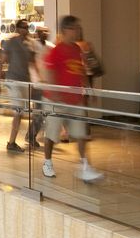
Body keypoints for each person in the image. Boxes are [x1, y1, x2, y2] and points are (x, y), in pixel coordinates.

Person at [41, 15, 103, 183]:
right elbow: (50, 72)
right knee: (52, 134)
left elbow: (81, 71)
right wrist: (56, 94)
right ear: (65, 30)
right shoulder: (56, 51)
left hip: (75, 99)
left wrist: (88, 90)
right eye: (74, 28)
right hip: (56, 100)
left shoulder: (77, 49)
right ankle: (47, 162)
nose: (77, 31)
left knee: (81, 134)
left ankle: (85, 166)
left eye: (78, 28)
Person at [0, 20, 32, 151]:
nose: (26, 29)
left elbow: (32, 63)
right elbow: (0, 61)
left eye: (27, 27)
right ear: (18, 29)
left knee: (21, 112)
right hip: (13, 81)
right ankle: (11, 142)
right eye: (23, 27)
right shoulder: (11, 43)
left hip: (25, 81)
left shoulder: (29, 44)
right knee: (18, 111)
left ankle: (12, 142)